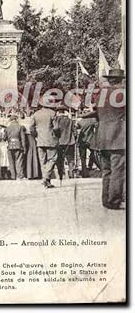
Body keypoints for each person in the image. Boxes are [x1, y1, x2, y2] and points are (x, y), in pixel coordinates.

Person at [81, 69, 126, 209]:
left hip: (102, 137)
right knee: (118, 170)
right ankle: (114, 200)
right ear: (121, 80)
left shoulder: (101, 94)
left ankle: (106, 200)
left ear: (110, 80)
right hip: (118, 137)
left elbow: (97, 112)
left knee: (106, 170)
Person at [33, 102, 59, 188]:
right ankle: (46, 178)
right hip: (51, 140)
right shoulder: (52, 113)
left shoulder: (36, 114)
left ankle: (46, 181)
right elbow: (56, 127)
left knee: (42, 161)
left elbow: (31, 128)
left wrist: (36, 136)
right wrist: (57, 135)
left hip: (40, 140)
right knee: (52, 159)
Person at [55, 106, 76, 179]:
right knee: (70, 159)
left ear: (58, 112)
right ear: (64, 111)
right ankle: (71, 174)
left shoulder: (56, 120)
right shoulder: (70, 120)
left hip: (59, 142)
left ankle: (61, 174)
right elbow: (75, 131)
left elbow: (55, 129)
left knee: (60, 159)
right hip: (70, 141)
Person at [77, 112, 100, 177]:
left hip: (82, 141)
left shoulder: (80, 121)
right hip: (90, 140)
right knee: (94, 153)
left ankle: (84, 173)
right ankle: (93, 165)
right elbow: (97, 126)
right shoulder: (93, 120)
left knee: (82, 158)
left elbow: (77, 128)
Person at [20, 112, 41, 180]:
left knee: (26, 157)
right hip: (31, 138)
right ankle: (34, 173)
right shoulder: (31, 120)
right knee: (33, 156)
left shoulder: (21, 121)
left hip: (24, 139)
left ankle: (27, 174)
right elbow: (33, 130)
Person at [5, 115, 27, 180]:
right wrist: (24, 147)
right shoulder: (20, 127)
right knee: (19, 161)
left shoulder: (7, 128)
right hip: (18, 145)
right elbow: (23, 138)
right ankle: (20, 176)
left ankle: (13, 176)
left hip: (10, 146)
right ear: (16, 120)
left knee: (11, 162)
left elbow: (4, 138)